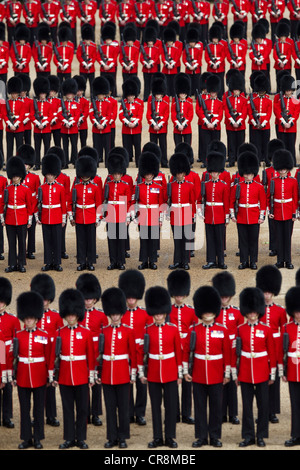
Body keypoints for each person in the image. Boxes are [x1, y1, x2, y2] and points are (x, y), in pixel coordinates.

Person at [183, 285, 231, 447]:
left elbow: (227, 354)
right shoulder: (193, 330)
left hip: (217, 373)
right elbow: (186, 351)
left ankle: (215, 436)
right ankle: (201, 437)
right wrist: (185, 371)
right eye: (205, 310)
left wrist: (227, 373)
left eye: (210, 310)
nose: (208, 313)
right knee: (200, 407)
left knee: (216, 407)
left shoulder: (222, 330)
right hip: (198, 374)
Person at [138, 286, 182, 449]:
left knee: (170, 407)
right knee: (155, 407)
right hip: (154, 373)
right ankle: (157, 437)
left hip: (170, 372)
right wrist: (142, 373)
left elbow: (178, 352)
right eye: (156, 313)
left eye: (161, 313)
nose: (158, 316)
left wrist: (179, 373)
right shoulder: (147, 331)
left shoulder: (173, 329)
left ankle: (169, 437)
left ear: (165, 313)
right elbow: (142, 353)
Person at [52, 288, 95, 449]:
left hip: (82, 376)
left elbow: (90, 356)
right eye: (68, 314)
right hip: (64, 377)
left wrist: (91, 375)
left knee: (83, 409)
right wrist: (54, 376)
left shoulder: (86, 333)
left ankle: (81, 438)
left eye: (73, 314)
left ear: (78, 314)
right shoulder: (59, 333)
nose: (70, 317)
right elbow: (55, 357)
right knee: (68, 409)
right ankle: (69, 438)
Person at [234, 287, 277, 447]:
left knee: (263, 405)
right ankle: (248, 436)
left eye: (254, 311)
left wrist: (272, 374)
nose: (252, 314)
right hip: (245, 373)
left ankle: (261, 435)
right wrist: (236, 374)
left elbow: (271, 353)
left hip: (262, 373)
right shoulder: (240, 330)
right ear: (246, 311)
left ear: (259, 311)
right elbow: (236, 354)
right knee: (246, 406)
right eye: (250, 311)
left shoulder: (266, 330)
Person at [99, 287, 137, 449]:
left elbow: (133, 355)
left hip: (122, 374)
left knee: (123, 408)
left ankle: (122, 437)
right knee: (110, 407)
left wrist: (133, 373)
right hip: (107, 375)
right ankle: (112, 437)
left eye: (117, 314)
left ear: (121, 314)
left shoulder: (128, 331)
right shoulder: (104, 331)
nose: (114, 317)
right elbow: (99, 355)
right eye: (112, 314)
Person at [14, 291, 51, 449]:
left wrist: (49, 375)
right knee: (24, 409)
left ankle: (37, 438)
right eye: (26, 318)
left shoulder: (44, 335)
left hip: (39, 376)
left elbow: (48, 357)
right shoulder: (19, 336)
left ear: (36, 318)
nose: (29, 320)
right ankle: (26, 438)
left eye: (31, 318)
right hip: (22, 376)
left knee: (38, 409)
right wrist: (13, 375)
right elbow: (13, 357)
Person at [118, 269, 151, 425]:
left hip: (140, 353)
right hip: (125, 354)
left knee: (141, 385)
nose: (131, 299)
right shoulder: (120, 314)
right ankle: (129, 412)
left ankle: (140, 413)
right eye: (128, 296)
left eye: (133, 296)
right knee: (126, 385)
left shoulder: (145, 314)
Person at [30, 273, 63, 427]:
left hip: (50, 356)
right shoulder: (32, 316)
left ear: (49, 299)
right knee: (36, 389)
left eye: (45, 299)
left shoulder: (55, 316)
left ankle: (51, 416)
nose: (43, 301)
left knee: (50, 388)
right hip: (37, 357)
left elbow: (59, 337)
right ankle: (36, 416)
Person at [255, 264, 287, 423]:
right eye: (264, 292)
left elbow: (283, 330)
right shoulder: (256, 309)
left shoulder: (280, 311)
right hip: (261, 348)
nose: (267, 295)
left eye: (269, 292)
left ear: (273, 292)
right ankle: (262, 411)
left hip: (275, 348)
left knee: (273, 382)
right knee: (261, 382)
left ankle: (272, 411)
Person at [212, 271, 244, 424]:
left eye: (226, 296)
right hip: (219, 351)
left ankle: (233, 414)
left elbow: (240, 332)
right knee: (220, 383)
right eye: (222, 296)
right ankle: (221, 413)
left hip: (232, 351)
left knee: (232, 382)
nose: (224, 298)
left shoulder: (236, 312)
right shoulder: (213, 312)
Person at [76, 273, 108, 426]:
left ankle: (95, 413)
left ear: (95, 299)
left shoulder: (101, 316)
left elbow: (104, 337)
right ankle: (84, 413)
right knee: (82, 387)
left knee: (96, 385)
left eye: (90, 299)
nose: (87, 301)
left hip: (96, 355)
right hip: (81, 355)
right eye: (85, 298)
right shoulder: (77, 314)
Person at [167, 269, 198, 425]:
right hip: (172, 351)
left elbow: (194, 332)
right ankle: (174, 413)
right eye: (176, 294)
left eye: (181, 294)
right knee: (172, 384)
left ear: (185, 294)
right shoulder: (167, 310)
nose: (179, 297)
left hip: (186, 351)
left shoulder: (191, 311)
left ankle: (186, 413)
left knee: (187, 383)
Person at [230, 151, 266, 270]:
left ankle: (253, 261)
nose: (248, 175)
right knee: (243, 240)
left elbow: (263, 203)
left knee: (253, 240)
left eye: (250, 173)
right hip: (241, 216)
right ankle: (244, 261)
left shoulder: (259, 187)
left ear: (253, 173)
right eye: (246, 173)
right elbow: (231, 202)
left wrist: (261, 216)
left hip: (254, 216)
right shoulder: (237, 186)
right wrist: (232, 215)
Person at [267, 149, 298, 269]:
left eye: (284, 169)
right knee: (279, 238)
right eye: (280, 169)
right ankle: (280, 260)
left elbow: (295, 198)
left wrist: (294, 213)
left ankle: (288, 261)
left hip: (289, 212)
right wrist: (270, 211)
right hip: (278, 212)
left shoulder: (293, 181)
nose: (282, 171)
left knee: (287, 238)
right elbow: (269, 197)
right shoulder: (273, 181)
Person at [1, 156, 32, 273]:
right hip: (10, 219)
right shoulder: (7, 189)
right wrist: (2, 218)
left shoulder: (26, 189)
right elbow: (3, 204)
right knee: (12, 243)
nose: (15, 179)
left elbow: (29, 205)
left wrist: (29, 220)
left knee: (22, 243)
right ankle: (12, 264)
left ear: (21, 177)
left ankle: (21, 264)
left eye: (17, 177)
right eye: (13, 177)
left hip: (22, 218)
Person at [134, 151, 164, 270]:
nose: (149, 176)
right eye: (147, 174)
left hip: (154, 216)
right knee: (144, 239)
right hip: (143, 216)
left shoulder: (158, 187)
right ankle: (143, 261)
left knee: (152, 240)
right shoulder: (139, 187)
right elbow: (136, 203)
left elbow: (161, 204)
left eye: (151, 174)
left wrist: (160, 218)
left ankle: (152, 261)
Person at [200, 150, 230, 270]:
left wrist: (226, 216)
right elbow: (203, 199)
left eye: (216, 172)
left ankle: (221, 261)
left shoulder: (223, 185)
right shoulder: (206, 184)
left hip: (219, 215)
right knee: (210, 239)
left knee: (219, 239)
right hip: (209, 215)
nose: (214, 174)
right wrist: (202, 212)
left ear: (219, 172)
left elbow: (226, 202)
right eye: (212, 172)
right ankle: (211, 260)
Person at [37, 154, 66, 272]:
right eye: (48, 174)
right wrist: (39, 216)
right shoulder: (42, 187)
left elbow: (63, 204)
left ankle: (57, 263)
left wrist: (63, 219)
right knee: (47, 241)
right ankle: (48, 262)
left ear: (55, 175)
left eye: (51, 175)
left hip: (57, 217)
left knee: (57, 241)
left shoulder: (60, 187)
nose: (49, 177)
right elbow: (39, 203)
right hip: (45, 217)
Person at [167, 153, 196, 270]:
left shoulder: (190, 185)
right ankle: (177, 261)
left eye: (181, 173)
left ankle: (185, 261)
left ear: (184, 173)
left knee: (186, 239)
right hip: (175, 215)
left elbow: (192, 201)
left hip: (186, 214)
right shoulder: (171, 185)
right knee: (177, 239)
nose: (179, 175)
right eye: (178, 173)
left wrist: (193, 215)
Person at [104, 153, 132, 270]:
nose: (116, 176)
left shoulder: (125, 186)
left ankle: (120, 261)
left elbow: (128, 203)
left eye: (118, 174)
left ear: (121, 174)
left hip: (121, 215)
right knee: (112, 240)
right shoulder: (108, 185)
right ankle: (113, 261)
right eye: (114, 174)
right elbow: (104, 200)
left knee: (120, 240)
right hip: (111, 215)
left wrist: (127, 217)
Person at [0, 277, 20, 428]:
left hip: (7, 360)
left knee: (7, 390)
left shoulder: (12, 320)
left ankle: (6, 417)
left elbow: (16, 342)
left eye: (2, 301)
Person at [282, 286, 300, 446]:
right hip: (293, 372)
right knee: (295, 405)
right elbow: (284, 351)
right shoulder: (287, 328)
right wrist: (283, 371)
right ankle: (295, 435)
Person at [16, 144, 40, 261]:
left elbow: (37, 193)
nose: (25, 166)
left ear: (30, 165)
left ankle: (30, 250)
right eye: (23, 164)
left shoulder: (34, 178)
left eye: (27, 164)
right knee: (21, 232)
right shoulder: (16, 177)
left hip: (32, 207)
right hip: (21, 208)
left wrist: (35, 208)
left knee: (31, 230)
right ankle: (22, 250)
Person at [119, 78, 144, 168]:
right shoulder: (124, 103)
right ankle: (126, 163)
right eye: (128, 96)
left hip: (136, 129)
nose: (130, 97)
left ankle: (138, 163)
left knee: (137, 147)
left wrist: (134, 123)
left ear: (134, 95)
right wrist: (127, 123)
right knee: (126, 147)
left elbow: (140, 115)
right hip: (126, 129)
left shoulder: (139, 103)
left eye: (131, 95)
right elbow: (121, 115)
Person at [89, 76, 112, 167]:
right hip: (96, 128)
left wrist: (103, 124)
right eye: (99, 94)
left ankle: (107, 163)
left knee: (107, 147)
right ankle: (96, 163)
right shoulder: (94, 103)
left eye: (102, 94)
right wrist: (96, 124)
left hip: (106, 129)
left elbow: (109, 115)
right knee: (96, 147)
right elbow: (91, 115)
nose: (101, 96)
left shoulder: (108, 103)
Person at [31, 77, 52, 171]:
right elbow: (32, 116)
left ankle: (46, 164)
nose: (42, 95)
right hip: (37, 129)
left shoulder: (49, 104)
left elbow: (50, 116)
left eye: (44, 93)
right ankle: (37, 164)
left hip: (46, 129)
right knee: (37, 147)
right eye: (41, 93)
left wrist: (44, 124)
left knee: (47, 147)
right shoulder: (35, 104)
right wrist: (37, 124)